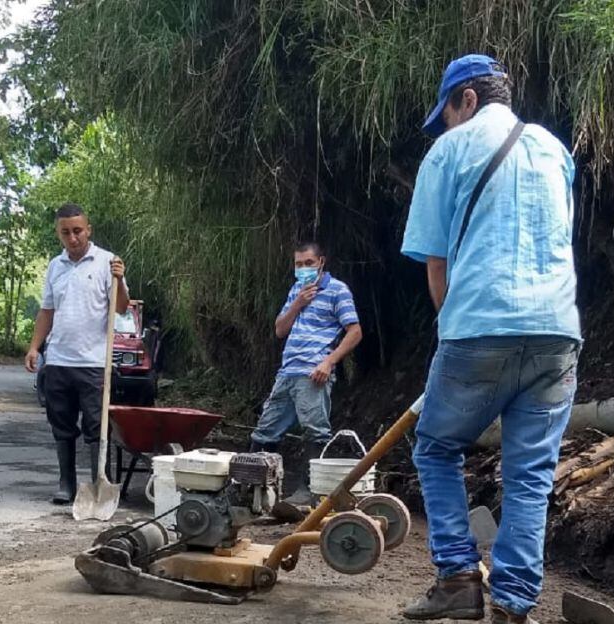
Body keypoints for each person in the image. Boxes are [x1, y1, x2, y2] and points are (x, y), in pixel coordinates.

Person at [399, 54, 581, 624]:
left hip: (478, 327)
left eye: (447, 112)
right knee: (530, 477)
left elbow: (436, 269)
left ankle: (456, 576)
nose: (447, 124)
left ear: (467, 100)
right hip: (556, 334)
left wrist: (453, 331)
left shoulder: (448, 151)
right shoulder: (554, 149)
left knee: (435, 447)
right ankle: (512, 607)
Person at [24, 203, 129, 505]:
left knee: (96, 428)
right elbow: (47, 310)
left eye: (78, 231)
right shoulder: (56, 266)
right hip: (58, 360)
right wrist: (35, 347)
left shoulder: (108, 262)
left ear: (88, 230)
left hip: (94, 363)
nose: (73, 238)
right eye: (66, 232)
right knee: (61, 424)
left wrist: (120, 280)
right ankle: (66, 483)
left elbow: (121, 307)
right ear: (59, 233)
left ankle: (99, 483)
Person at [249, 242, 362, 505]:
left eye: (308, 263)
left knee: (315, 431)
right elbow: (280, 330)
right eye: (298, 264)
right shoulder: (296, 291)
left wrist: (328, 362)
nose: (303, 268)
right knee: (265, 430)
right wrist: (298, 303)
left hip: (312, 372)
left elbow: (355, 331)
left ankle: (309, 492)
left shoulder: (337, 290)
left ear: (321, 261)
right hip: (288, 371)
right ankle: (251, 488)